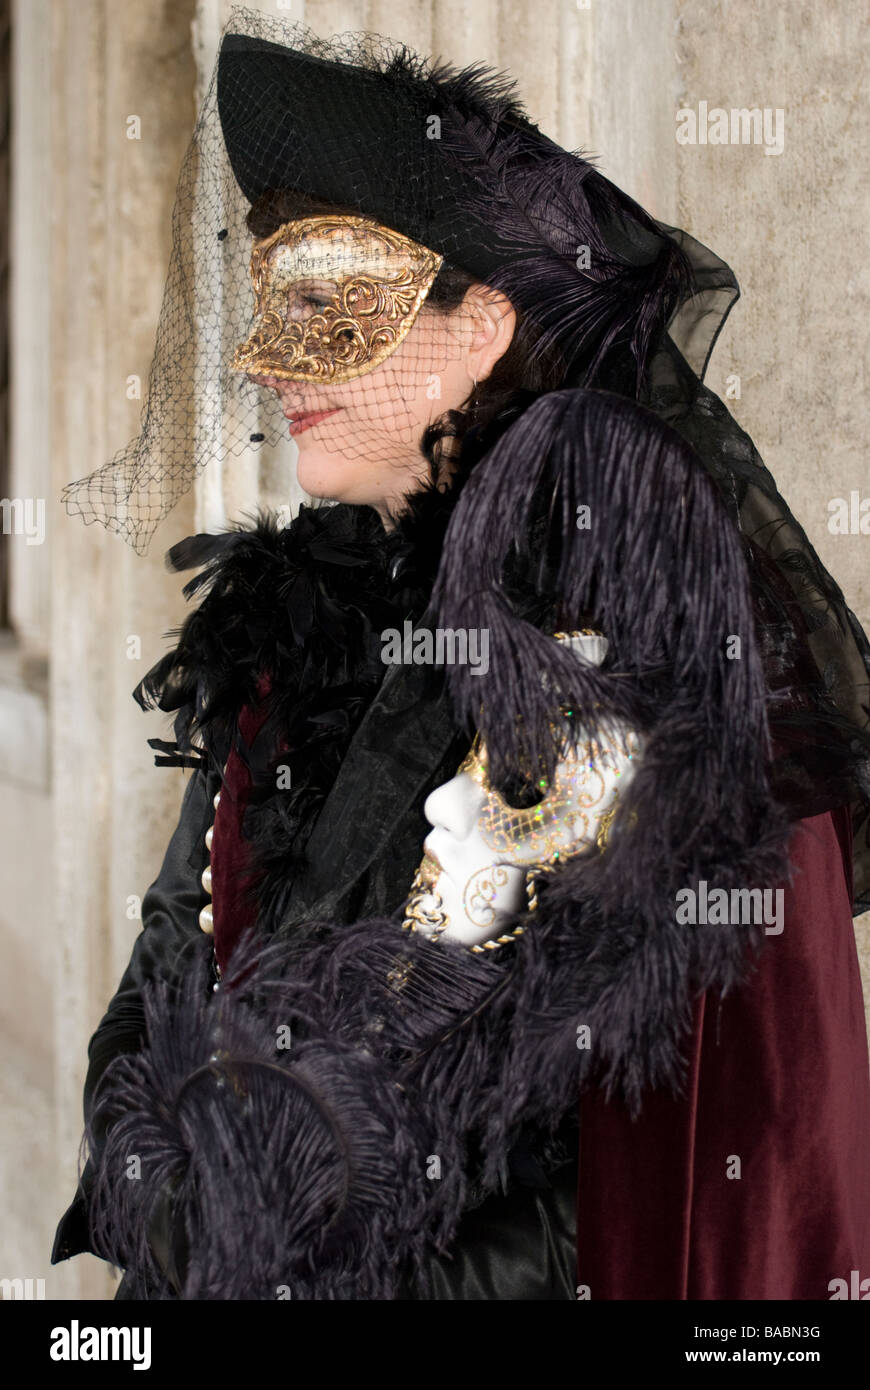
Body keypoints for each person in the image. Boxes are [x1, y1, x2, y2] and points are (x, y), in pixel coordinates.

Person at [52, 12, 870, 1300]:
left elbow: (677, 1162)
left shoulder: (637, 658)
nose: (272, 362)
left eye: (326, 304)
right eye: (269, 301)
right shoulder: (287, 625)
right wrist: (162, 1205)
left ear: (482, 323)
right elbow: (170, 947)